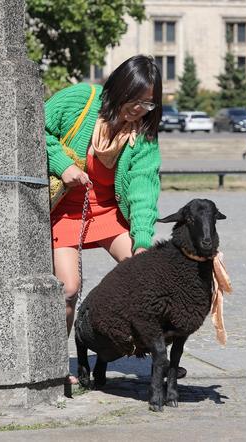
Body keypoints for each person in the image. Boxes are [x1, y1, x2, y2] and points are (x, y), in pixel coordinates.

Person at [45, 55, 170, 383]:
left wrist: (142, 241)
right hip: (64, 212)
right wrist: (63, 165)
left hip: (108, 214)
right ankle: (54, 366)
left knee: (147, 279)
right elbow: (32, 130)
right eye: (136, 99)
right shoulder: (80, 101)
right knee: (68, 289)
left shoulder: (142, 134)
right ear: (119, 86)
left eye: (149, 103)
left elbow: (144, 190)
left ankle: (147, 354)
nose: (140, 109)